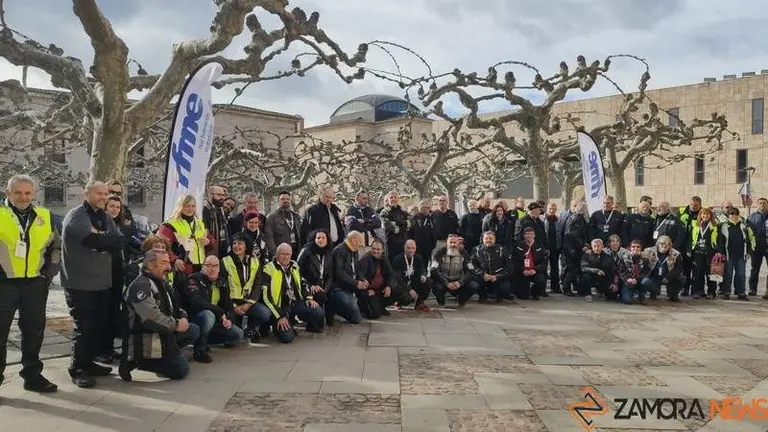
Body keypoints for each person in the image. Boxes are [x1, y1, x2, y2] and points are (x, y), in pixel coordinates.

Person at [0, 175, 60, 393]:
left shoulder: (45, 216)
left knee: (34, 331)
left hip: (35, 283)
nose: (23, 197)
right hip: (4, 283)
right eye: (18, 192)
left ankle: (32, 375)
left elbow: (56, 246)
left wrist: (49, 273)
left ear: (34, 194)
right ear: (8, 193)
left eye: (27, 193)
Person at [61, 181, 124, 388]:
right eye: (98, 193)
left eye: (106, 193)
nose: (103, 197)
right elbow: (93, 241)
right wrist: (105, 239)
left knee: (98, 326)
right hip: (80, 283)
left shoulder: (104, 216)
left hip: (102, 282)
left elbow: (117, 239)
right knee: (84, 327)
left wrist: (106, 238)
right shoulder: (76, 216)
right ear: (86, 193)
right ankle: (78, 368)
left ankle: (89, 362)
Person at [121, 250, 199, 382]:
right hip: (147, 335)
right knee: (181, 370)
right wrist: (176, 325)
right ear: (151, 265)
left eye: (168, 262)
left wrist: (183, 317)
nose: (169, 267)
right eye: (164, 263)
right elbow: (151, 319)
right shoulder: (142, 286)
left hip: (163, 330)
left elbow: (175, 305)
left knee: (193, 329)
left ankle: (168, 352)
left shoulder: (160, 281)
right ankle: (139, 360)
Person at [183, 256, 243, 363]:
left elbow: (228, 304)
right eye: (209, 265)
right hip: (197, 319)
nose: (212, 269)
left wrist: (228, 319)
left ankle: (206, 341)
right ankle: (199, 350)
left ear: (219, 268)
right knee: (208, 315)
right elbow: (196, 301)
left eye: (216, 266)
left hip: (215, 322)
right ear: (203, 267)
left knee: (238, 334)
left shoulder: (222, 282)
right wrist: (220, 312)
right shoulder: (193, 279)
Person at [261, 243, 325, 343]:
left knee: (318, 311)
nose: (286, 257)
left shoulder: (294, 265)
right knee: (287, 338)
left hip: (295, 302)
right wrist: (280, 316)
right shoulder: (268, 269)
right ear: (277, 255)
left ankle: (305, 324)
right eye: (283, 254)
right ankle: (279, 325)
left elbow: (302, 283)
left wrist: (309, 298)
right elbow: (266, 297)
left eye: (288, 254)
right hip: (280, 307)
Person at [98, 195, 130, 364]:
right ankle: (100, 350)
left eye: (118, 207)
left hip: (118, 274)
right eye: (112, 206)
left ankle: (109, 347)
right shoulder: (101, 225)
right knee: (102, 313)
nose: (115, 210)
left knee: (113, 313)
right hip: (104, 274)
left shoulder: (121, 227)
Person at [222, 233, 270, 344]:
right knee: (232, 341)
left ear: (246, 246)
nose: (236, 246)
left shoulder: (255, 261)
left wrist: (247, 305)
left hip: (248, 302)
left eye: (240, 243)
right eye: (234, 243)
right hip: (231, 304)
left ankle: (250, 328)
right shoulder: (225, 261)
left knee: (265, 314)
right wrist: (234, 307)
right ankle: (238, 328)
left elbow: (257, 285)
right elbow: (223, 289)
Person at [158, 194, 215, 276]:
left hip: (200, 267)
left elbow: (212, 239)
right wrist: (174, 259)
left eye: (193, 206)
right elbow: (161, 246)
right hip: (181, 268)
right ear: (181, 206)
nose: (190, 209)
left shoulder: (200, 223)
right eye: (187, 206)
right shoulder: (170, 225)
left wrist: (208, 241)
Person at [357, 240, 412, 319]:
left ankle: (381, 306)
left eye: (378, 249)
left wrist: (389, 286)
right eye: (373, 249)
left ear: (382, 250)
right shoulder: (365, 259)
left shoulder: (384, 259)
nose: (376, 251)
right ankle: (364, 308)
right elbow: (359, 276)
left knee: (403, 295)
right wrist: (366, 290)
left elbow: (391, 275)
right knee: (375, 314)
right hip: (369, 291)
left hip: (380, 289)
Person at [327, 231, 366, 325]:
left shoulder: (354, 250)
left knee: (369, 296)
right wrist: (356, 283)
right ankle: (334, 310)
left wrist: (362, 279)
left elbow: (356, 269)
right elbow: (339, 274)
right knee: (356, 318)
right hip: (339, 287)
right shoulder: (339, 250)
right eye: (360, 242)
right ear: (354, 241)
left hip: (351, 285)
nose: (362, 245)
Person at [430, 234, 477, 308]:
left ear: (459, 244)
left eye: (455, 243)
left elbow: (471, 271)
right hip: (443, 281)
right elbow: (433, 270)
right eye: (451, 242)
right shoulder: (439, 253)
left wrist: (460, 282)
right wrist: (446, 283)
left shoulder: (464, 253)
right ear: (446, 243)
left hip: (458, 281)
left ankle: (462, 301)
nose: (453, 245)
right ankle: (441, 301)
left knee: (473, 285)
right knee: (436, 287)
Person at [719, 207, 755, 301]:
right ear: (728, 215)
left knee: (741, 274)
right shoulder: (723, 226)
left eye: (736, 214)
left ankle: (741, 293)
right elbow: (721, 241)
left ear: (738, 215)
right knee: (728, 274)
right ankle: (726, 292)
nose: (734, 216)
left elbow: (750, 238)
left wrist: (749, 251)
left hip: (741, 255)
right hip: (728, 254)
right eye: (732, 214)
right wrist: (721, 252)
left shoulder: (744, 226)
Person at [297, 230, 334, 314]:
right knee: (319, 298)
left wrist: (325, 289)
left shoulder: (329, 253)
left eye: (323, 238)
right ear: (314, 239)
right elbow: (297, 271)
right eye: (318, 238)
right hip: (309, 285)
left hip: (323, 286)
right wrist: (310, 285)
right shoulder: (306, 251)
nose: (321, 240)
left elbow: (330, 275)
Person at [689, 208, 721, 299]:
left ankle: (711, 292)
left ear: (711, 216)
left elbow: (719, 239)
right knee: (697, 273)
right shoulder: (695, 224)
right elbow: (690, 238)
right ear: (700, 215)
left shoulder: (715, 225)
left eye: (707, 214)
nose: (705, 216)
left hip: (710, 253)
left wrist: (719, 251)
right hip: (698, 252)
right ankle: (697, 291)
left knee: (711, 274)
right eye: (703, 214)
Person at [641, 236, 685, 302]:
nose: (664, 246)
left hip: (668, 276)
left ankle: (673, 295)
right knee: (645, 281)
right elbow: (643, 266)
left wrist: (669, 277)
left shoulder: (676, 254)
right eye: (662, 243)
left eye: (667, 244)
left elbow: (678, 269)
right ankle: (653, 292)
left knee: (682, 278)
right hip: (653, 276)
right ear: (657, 243)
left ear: (670, 245)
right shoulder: (648, 251)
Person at [471, 231, 512, 302]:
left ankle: (499, 295)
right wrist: (482, 274)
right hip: (483, 277)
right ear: (482, 239)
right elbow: (471, 265)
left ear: (494, 239)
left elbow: (510, 266)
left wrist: (498, 276)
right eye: (486, 238)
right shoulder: (476, 250)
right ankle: (483, 295)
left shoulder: (502, 249)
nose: (488, 240)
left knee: (505, 288)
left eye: (491, 238)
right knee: (474, 283)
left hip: (498, 277)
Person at [392, 240, 431, 312]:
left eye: (413, 248)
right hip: (402, 284)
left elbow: (421, 269)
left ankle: (419, 303)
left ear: (416, 248)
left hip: (412, 282)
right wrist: (409, 290)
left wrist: (422, 275)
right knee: (407, 300)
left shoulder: (418, 258)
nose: (411, 250)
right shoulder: (398, 259)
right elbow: (398, 279)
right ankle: (398, 302)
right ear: (404, 248)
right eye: (408, 248)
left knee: (428, 281)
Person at [561, 202, 590, 297]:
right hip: (572, 248)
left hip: (570, 247)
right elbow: (574, 235)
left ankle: (572, 288)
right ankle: (566, 288)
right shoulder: (578, 219)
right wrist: (582, 246)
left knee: (573, 269)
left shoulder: (574, 218)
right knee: (571, 269)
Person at [511, 227, 547, 300]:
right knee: (523, 296)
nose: (529, 236)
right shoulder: (518, 246)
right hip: (522, 272)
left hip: (534, 271)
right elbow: (514, 261)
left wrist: (535, 270)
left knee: (541, 281)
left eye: (531, 234)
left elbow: (544, 262)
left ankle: (534, 292)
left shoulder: (540, 246)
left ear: (534, 235)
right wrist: (522, 270)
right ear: (524, 235)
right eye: (527, 234)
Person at [265, 191, 302, 259]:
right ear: (278, 201)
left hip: (296, 253)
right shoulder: (271, 217)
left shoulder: (297, 217)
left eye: (288, 199)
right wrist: (275, 254)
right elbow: (269, 238)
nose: (286, 201)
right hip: (281, 254)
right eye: (283, 199)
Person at [344, 190, 382, 256]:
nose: (366, 200)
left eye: (367, 198)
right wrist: (369, 225)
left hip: (370, 245)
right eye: (364, 198)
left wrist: (364, 221)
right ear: (357, 198)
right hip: (357, 246)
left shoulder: (369, 210)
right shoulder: (350, 210)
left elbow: (378, 223)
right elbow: (351, 226)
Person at [678, 196, 703, 296]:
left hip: (697, 246)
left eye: (696, 205)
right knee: (685, 270)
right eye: (691, 204)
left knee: (697, 270)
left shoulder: (703, 214)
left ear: (700, 205)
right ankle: (685, 289)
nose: (693, 207)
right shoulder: (682, 212)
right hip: (684, 246)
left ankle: (696, 290)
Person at [379, 192, 410, 262]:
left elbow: (410, 224)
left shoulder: (403, 212)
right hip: (390, 244)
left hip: (403, 243)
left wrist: (395, 223)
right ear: (388, 199)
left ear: (398, 199)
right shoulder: (384, 212)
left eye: (395, 197)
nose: (393, 199)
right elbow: (386, 226)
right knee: (390, 266)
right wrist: (403, 225)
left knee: (401, 265)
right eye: (391, 197)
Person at [748, 197, 768, 297]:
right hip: (756, 247)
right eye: (760, 203)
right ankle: (752, 289)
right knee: (754, 269)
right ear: (757, 205)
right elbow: (747, 233)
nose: (762, 205)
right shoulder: (751, 217)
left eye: (764, 203)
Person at [202, 185, 229, 257]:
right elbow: (204, 231)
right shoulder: (205, 209)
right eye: (219, 195)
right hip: (209, 251)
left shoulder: (220, 209)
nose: (222, 198)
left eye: (223, 195)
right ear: (210, 195)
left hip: (221, 250)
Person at [410, 201, 436, 266]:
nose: (426, 210)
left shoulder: (431, 218)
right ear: (419, 208)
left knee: (426, 265)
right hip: (417, 248)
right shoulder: (414, 218)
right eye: (424, 207)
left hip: (428, 247)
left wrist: (433, 244)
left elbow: (433, 231)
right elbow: (410, 233)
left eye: (428, 208)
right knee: (416, 265)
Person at [544, 202, 562, 293]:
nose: (552, 211)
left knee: (555, 268)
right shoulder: (543, 219)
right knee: (544, 267)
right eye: (550, 208)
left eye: (554, 209)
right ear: (547, 209)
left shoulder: (558, 220)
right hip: (545, 247)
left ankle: (555, 287)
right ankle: (543, 289)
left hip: (555, 247)